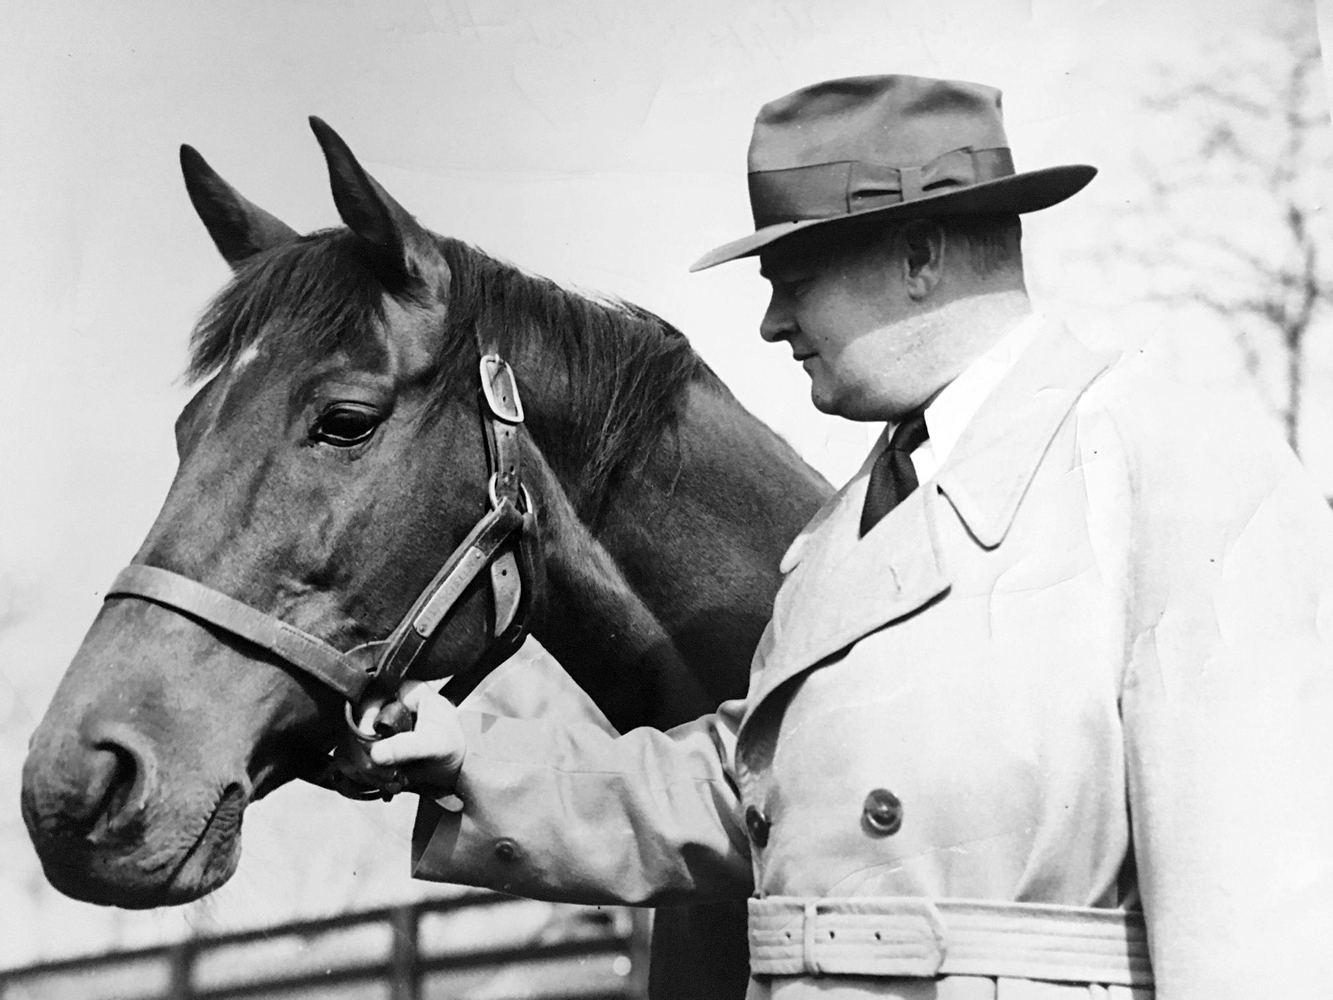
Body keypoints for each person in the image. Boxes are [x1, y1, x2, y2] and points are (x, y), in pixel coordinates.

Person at [372, 75, 1333, 998]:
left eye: (795, 276)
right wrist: (471, 759)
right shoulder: (841, 532)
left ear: (919, 257)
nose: (769, 323)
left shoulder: (1174, 464)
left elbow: (1261, 922)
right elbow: (738, 792)